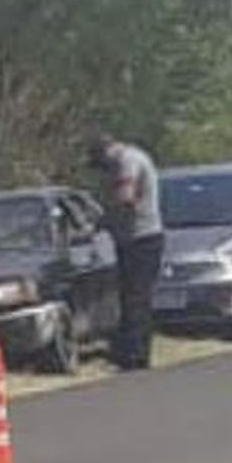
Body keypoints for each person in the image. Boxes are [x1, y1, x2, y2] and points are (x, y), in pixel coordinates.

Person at [86, 133, 163, 370]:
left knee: (136, 297)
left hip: (141, 238)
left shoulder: (127, 161)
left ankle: (135, 356)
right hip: (131, 238)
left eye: (102, 164)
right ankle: (131, 351)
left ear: (107, 152)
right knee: (132, 296)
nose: (104, 170)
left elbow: (126, 198)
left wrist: (105, 219)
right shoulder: (131, 158)